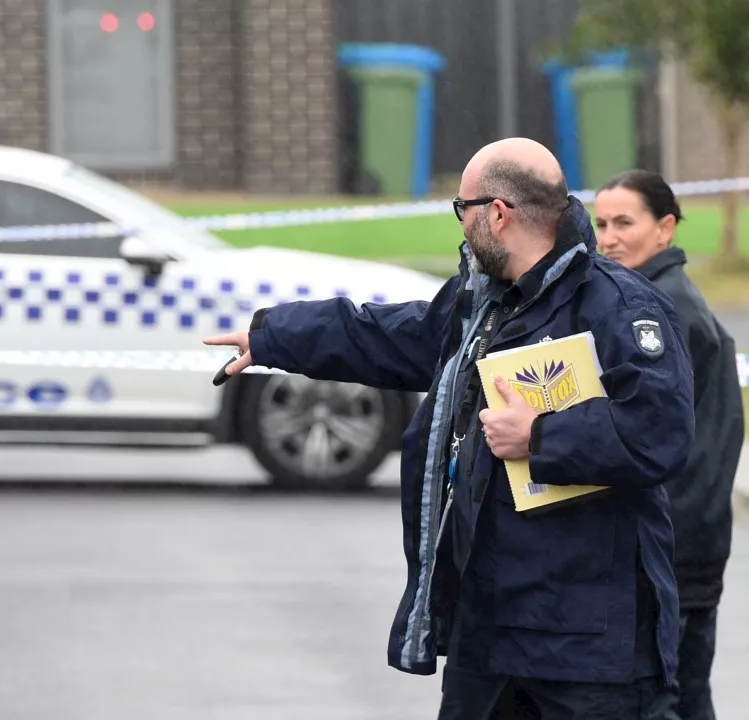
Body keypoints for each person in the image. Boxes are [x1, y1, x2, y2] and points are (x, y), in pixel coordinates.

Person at [204, 138, 696, 719]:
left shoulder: (618, 306)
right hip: (488, 627)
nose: (460, 227)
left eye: (462, 210)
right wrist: (273, 337)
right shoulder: (483, 304)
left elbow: (659, 433)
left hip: (589, 650)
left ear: (497, 214)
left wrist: (539, 438)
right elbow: (393, 335)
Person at [594, 170, 746, 720]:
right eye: (601, 224)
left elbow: (669, 445)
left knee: (664, 698)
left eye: (624, 223)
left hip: (675, 548)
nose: (608, 238)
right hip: (685, 542)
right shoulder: (653, 298)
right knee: (685, 694)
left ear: (665, 228)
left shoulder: (663, 311)